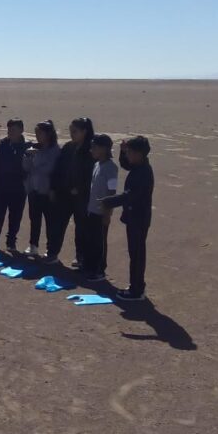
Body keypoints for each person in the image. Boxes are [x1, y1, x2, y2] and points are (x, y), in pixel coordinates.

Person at [102, 136, 154, 301]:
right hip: (134, 218)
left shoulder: (144, 173)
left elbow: (130, 196)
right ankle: (136, 286)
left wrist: (108, 202)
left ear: (139, 154)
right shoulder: (139, 165)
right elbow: (125, 164)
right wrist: (123, 151)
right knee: (135, 254)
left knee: (137, 255)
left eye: (130, 152)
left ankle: (137, 290)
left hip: (139, 219)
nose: (128, 155)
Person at [45, 117, 95, 266]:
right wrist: (53, 188)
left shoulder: (91, 151)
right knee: (58, 225)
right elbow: (57, 169)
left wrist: (80, 188)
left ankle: (80, 257)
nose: (72, 134)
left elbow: (93, 175)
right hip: (63, 194)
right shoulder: (68, 147)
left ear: (84, 132)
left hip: (82, 197)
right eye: (70, 131)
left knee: (81, 228)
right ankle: (52, 253)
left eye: (75, 131)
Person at [0, 118, 33, 254]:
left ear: (21, 130)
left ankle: (11, 244)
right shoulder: (3, 143)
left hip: (19, 188)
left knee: (15, 216)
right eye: (9, 130)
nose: (10, 132)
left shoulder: (28, 146)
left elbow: (33, 167)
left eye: (13, 130)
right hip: (1, 186)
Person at [23, 121, 61, 257]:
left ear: (49, 134)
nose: (37, 135)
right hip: (34, 189)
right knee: (34, 219)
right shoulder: (34, 148)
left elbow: (49, 169)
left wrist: (34, 164)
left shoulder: (55, 150)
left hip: (48, 191)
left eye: (40, 132)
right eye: (36, 132)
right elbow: (26, 168)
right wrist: (27, 155)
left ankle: (51, 250)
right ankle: (33, 246)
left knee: (50, 222)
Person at [85, 133, 118, 281]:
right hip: (91, 209)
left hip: (101, 211)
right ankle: (90, 266)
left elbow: (112, 191)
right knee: (91, 240)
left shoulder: (111, 168)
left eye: (94, 147)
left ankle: (99, 270)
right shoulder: (97, 164)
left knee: (100, 242)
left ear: (104, 149)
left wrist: (107, 214)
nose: (91, 150)